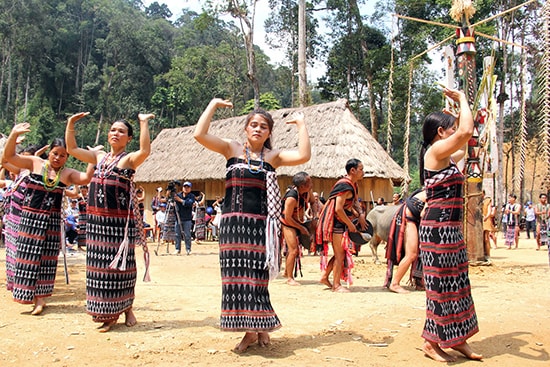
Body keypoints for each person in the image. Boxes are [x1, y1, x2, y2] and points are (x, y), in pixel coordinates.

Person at [193, 98, 310, 353]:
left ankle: (252, 330)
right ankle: (257, 326)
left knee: (258, 278)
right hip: (234, 225)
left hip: (261, 226)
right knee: (236, 278)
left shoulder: (273, 157)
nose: (257, 129)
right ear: (246, 128)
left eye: (263, 127)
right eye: (253, 125)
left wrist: (301, 124)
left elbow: (304, 155)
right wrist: (212, 104)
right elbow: (199, 134)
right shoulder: (231, 149)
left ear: (269, 132)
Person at [65, 111, 154, 332]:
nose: (116, 133)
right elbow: (72, 150)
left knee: (123, 268)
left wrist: (143, 123)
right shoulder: (99, 157)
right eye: (113, 130)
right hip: (97, 223)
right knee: (98, 270)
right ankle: (106, 311)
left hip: (118, 225)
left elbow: (145, 150)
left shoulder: (129, 159)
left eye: (121, 131)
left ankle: (125, 308)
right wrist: (70, 124)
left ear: (129, 138)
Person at [418, 87, 481, 362]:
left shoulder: (447, 157)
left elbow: (466, 140)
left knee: (458, 285)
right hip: (436, 232)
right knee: (441, 288)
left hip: (451, 232)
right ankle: (431, 343)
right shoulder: (434, 151)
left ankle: (459, 339)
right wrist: (463, 100)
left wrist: (472, 116)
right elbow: (465, 134)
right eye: (451, 128)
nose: (456, 130)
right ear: (441, 133)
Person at [3, 124, 93, 316]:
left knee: (46, 260)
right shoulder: (35, 163)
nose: (57, 158)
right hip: (29, 218)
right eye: (54, 153)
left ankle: (40, 299)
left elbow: (85, 178)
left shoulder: (67, 173)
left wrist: (92, 158)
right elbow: (9, 158)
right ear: (49, 153)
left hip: (51, 221)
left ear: (67, 157)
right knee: (27, 257)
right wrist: (13, 135)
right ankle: (26, 294)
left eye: (62, 155)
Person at [316, 158, 368, 293]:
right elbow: (338, 209)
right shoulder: (345, 186)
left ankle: (325, 276)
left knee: (340, 253)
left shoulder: (353, 185)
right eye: (361, 169)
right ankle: (336, 285)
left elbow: (353, 203)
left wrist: (360, 215)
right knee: (340, 255)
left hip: (341, 222)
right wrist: (350, 224)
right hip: (335, 222)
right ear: (353, 170)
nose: (363, 172)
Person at [384, 189, 426, 293]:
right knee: (411, 254)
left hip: (410, 217)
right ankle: (395, 283)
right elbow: (424, 213)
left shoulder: (431, 189)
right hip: (408, 219)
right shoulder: (434, 192)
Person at [281, 171, 313, 286]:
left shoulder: (307, 192)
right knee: (293, 250)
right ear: (302, 186)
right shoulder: (292, 197)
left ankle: (286, 272)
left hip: (298, 221)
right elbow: (287, 217)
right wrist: (301, 228)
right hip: (287, 223)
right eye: (309, 182)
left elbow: (313, 202)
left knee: (295, 250)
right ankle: (290, 278)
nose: (311, 183)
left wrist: (315, 217)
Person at [173, 181, 195, 255]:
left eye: (188, 187)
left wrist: (180, 200)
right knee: (177, 234)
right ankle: (177, 249)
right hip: (178, 217)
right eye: (184, 187)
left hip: (187, 218)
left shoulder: (191, 196)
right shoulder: (178, 195)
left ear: (190, 188)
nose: (186, 188)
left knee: (187, 234)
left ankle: (188, 249)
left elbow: (189, 203)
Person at [76, 185, 89, 251]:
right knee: (81, 230)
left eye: (85, 191)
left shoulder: (88, 197)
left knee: (86, 229)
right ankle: (79, 245)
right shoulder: (79, 197)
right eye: (82, 191)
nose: (84, 192)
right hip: (81, 215)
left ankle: (86, 244)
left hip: (87, 215)